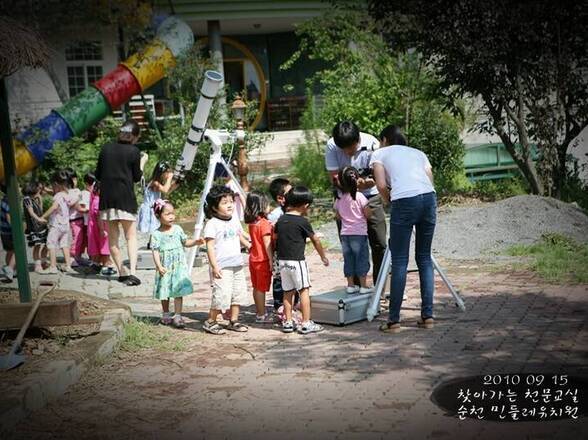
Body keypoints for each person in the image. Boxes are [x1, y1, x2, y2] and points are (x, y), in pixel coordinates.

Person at [370, 125, 437, 333]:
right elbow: (430, 179)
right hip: (429, 198)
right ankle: (427, 317)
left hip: (404, 201)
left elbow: (380, 184)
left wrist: (390, 199)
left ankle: (394, 321)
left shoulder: (379, 153)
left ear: (384, 139)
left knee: (399, 261)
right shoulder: (418, 153)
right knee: (424, 258)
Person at [325, 121, 387, 284]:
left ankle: (381, 286)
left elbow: (379, 174)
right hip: (345, 198)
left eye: (350, 148)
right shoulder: (332, 145)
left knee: (379, 242)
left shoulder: (372, 144)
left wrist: (368, 183)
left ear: (358, 139)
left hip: (370, 197)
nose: (347, 153)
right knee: (351, 245)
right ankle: (358, 288)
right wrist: (349, 187)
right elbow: (333, 177)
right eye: (343, 150)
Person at [95, 119, 148, 286]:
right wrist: (143, 161)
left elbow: (97, 174)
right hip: (125, 198)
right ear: (134, 136)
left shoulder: (106, 148)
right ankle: (132, 272)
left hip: (107, 198)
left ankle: (121, 272)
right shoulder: (134, 151)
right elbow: (137, 178)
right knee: (130, 236)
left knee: (113, 238)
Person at [274, 185, 329, 334]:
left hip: (283, 262)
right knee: (304, 291)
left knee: (287, 292)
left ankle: (288, 322)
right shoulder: (302, 221)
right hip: (297, 261)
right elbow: (315, 240)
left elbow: (275, 238)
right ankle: (306, 323)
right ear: (305, 205)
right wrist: (323, 256)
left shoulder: (280, 220)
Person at [202, 185, 251, 335]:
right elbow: (209, 247)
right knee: (221, 295)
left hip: (237, 263)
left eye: (231, 201)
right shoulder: (211, 224)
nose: (230, 204)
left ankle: (233, 321)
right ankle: (211, 321)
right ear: (214, 208)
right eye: (224, 202)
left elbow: (240, 236)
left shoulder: (233, 220)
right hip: (222, 266)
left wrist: (250, 246)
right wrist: (214, 266)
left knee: (237, 293)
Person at [151, 199, 202, 329]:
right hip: (165, 267)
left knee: (178, 291)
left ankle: (178, 315)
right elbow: (155, 251)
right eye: (167, 214)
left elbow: (185, 242)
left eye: (172, 213)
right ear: (158, 216)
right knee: (165, 291)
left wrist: (196, 242)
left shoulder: (178, 229)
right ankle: (166, 313)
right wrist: (158, 265)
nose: (171, 216)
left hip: (178, 267)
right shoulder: (156, 234)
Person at [334, 166, 373, 294]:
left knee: (349, 259)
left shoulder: (340, 198)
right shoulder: (360, 196)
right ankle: (363, 286)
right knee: (361, 258)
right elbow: (368, 214)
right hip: (359, 233)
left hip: (345, 234)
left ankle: (350, 285)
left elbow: (338, 216)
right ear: (356, 180)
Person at [244, 190, 273, 323]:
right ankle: (261, 315)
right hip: (263, 260)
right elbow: (267, 245)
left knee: (256, 287)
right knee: (261, 288)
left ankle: (259, 312)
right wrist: (272, 262)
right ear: (261, 206)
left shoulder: (252, 223)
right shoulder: (264, 224)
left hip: (253, 259)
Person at [40, 170, 75, 274]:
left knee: (51, 244)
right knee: (64, 244)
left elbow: (54, 207)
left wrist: (43, 216)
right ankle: (68, 266)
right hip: (65, 225)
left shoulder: (57, 196)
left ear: (55, 184)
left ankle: (53, 266)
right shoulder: (66, 194)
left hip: (56, 225)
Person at [267, 177, 292, 310]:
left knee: (294, 276)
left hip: (293, 251)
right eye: (290, 192)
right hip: (279, 252)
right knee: (279, 278)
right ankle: (279, 304)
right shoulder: (275, 215)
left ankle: (294, 302)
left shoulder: (294, 210)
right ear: (280, 198)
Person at [137, 160, 176, 243]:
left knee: (156, 227)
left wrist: (176, 183)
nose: (167, 175)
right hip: (150, 209)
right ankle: (154, 243)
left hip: (155, 208)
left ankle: (153, 242)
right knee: (155, 227)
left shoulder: (157, 183)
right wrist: (170, 178)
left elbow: (168, 191)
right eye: (167, 173)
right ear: (161, 173)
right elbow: (165, 190)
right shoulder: (154, 183)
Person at [87, 180, 116, 275]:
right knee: (104, 246)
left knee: (98, 246)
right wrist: (102, 230)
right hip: (101, 227)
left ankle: (96, 263)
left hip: (95, 227)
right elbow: (99, 216)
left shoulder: (94, 198)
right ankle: (106, 264)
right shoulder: (99, 201)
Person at [22, 181, 48, 273]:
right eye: (39, 188)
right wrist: (39, 220)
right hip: (34, 226)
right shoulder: (27, 199)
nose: (40, 190)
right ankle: (37, 265)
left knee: (46, 244)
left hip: (40, 226)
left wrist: (40, 200)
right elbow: (31, 212)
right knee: (37, 245)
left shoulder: (33, 199)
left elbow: (40, 210)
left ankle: (43, 261)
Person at [64, 168, 85, 267]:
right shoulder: (67, 192)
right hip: (74, 219)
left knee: (82, 238)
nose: (75, 181)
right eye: (73, 179)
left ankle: (78, 256)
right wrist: (77, 198)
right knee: (76, 238)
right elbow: (70, 204)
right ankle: (72, 257)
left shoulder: (77, 190)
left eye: (76, 179)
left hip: (82, 218)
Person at [0, 187, 16, 282]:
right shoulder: (9, 200)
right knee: (17, 251)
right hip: (9, 230)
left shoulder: (4, 199)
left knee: (9, 251)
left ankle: (10, 271)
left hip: (3, 230)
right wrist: (14, 227)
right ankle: (10, 268)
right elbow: (8, 215)